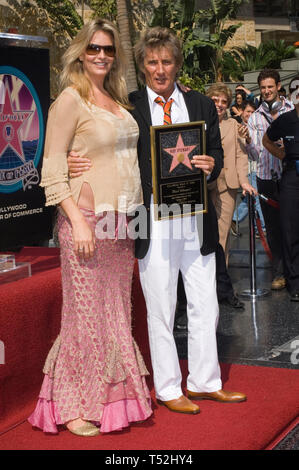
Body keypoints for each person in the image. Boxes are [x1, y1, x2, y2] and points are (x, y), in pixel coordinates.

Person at [68, 26, 246, 414]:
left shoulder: (199, 104)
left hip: (196, 217)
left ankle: (204, 381)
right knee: (161, 304)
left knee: (205, 303)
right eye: (152, 62)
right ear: (143, 66)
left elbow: (214, 151)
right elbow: (103, 146)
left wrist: (211, 164)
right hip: (151, 217)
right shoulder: (128, 106)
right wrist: (72, 159)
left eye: (166, 61)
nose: (160, 69)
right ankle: (168, 387)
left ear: (177, 64)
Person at [28, 18, 152, 437]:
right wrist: (77, 220)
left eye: (109, 50)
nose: (102, 55)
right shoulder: (70, 99)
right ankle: (74, 406)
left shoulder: (117, 98)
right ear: (81, 52)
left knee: (115, 315)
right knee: (84, 319)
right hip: (87, 221)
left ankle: (116, 401)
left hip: (123, 220)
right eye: (95, 48)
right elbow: (50, 168)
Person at [247, 69, 294, 290]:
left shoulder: (292, 110)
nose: (266, 91)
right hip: (266, 177)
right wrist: (247, 144)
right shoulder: (255, 117)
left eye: (270, 87)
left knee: (292, 227)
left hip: (289, 177)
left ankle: (293, 271)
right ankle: (279, 273)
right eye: (263, 87)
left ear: (277, 87)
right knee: (273, 230)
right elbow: (256, 153)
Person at [205, 83, 256, 266]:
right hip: (203, 186)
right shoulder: (199, 123)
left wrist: (244, 182)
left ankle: (221, 278)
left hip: (227, 186)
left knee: (222, 234)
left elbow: (240, 156)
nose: (219, 104)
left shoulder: (234, 125)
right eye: (215, 100)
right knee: (202, 235)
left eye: (224, 101)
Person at [262, 83, 299, 301]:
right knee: (290, 231)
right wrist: (282, 155)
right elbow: (266, 140)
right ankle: (294, 283)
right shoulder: (285, 120)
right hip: (292, 178)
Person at [231, 100, 266, 237]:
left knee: (249, 200)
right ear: (242, 112)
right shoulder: (237, 128)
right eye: (248, 112)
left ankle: (234, 220)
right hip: (248, 169)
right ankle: (261, 229)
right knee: (256, 199)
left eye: (253, 112)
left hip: (258, 166)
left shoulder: (257, 126)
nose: (250, 114)